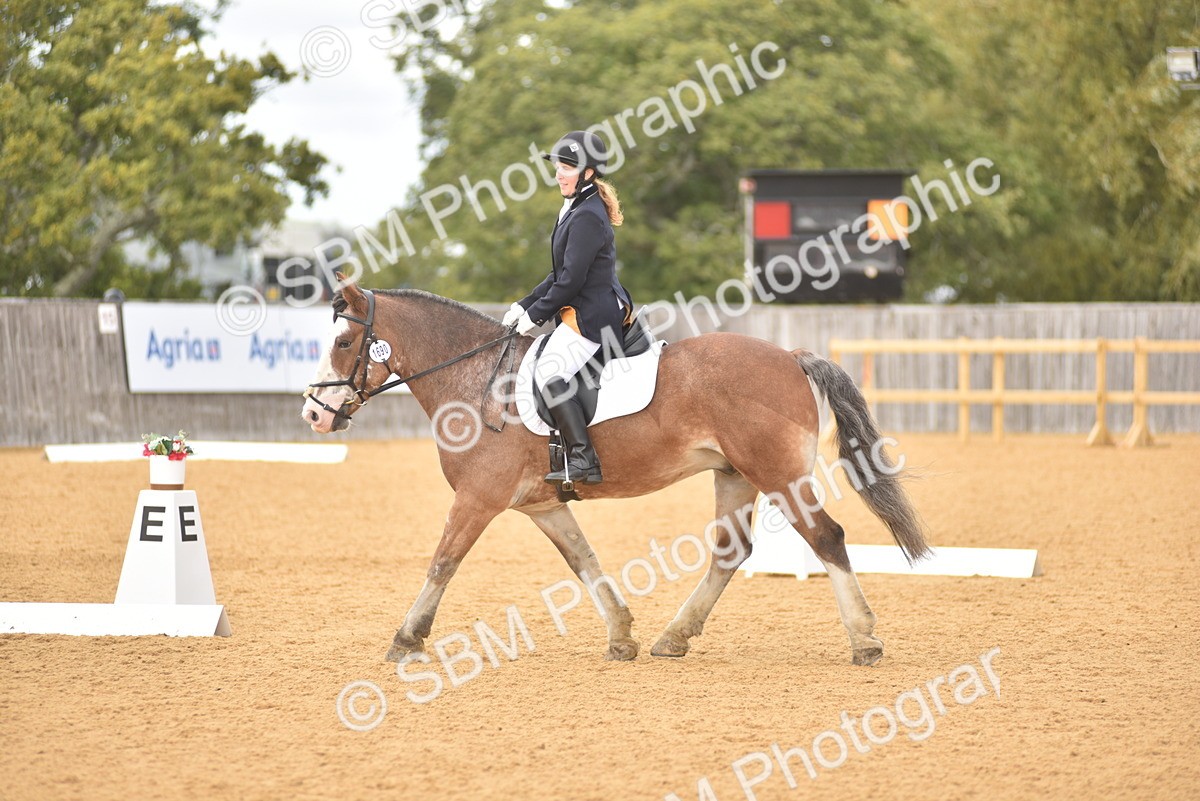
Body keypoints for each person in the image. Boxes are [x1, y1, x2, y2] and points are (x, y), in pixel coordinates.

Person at [502, 130, 633, 486]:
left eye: (568, 166)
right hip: (582, 308)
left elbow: (572, 280)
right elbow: (559, 273)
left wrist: (536, 315)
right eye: (558, 164)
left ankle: (582, 458)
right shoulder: (575, 207)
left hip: (594, 316)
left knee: (548, 372)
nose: (559, 172)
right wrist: (524, 304)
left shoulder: (588, 214)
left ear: (588, 173)